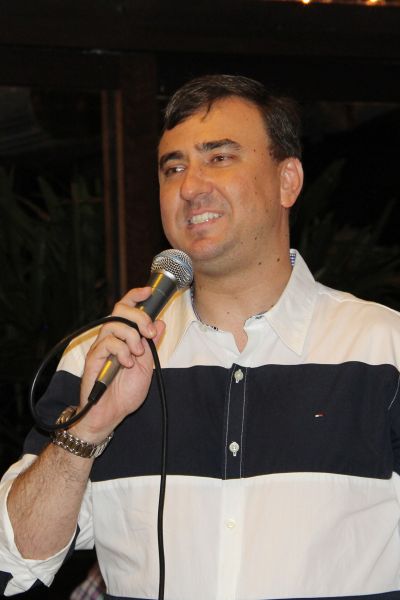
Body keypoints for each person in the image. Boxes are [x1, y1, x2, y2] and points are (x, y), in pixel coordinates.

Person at [1, 73, 399, 600]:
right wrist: (89, 428)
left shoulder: (384, 349)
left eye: (220, 157)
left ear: (288, 181)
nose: (190, 187)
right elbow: (16, 562)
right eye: (173, 167)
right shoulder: (101, 359)